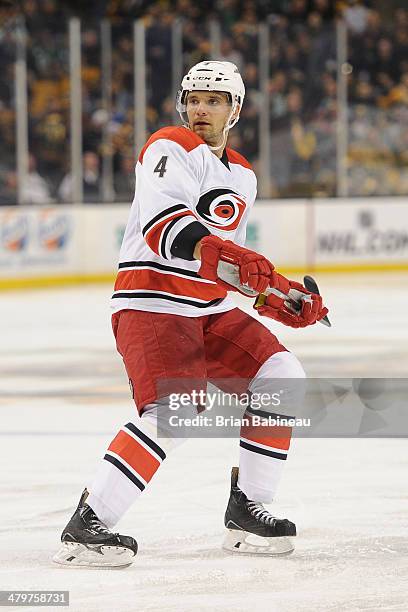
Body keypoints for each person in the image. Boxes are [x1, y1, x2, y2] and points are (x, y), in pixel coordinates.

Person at [53, 61, 328, 568]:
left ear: (236, 109)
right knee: (175, 417)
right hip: (153, 301)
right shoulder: (168, 146)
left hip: (208, 308)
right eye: (194, 98)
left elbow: (232, 267)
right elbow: (165, 228)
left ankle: (248, 509)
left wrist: (281, 295)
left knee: (282, 374)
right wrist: (235, 261)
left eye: (214, 100)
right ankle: (88, 523)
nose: (201, 108)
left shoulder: (242, 174)